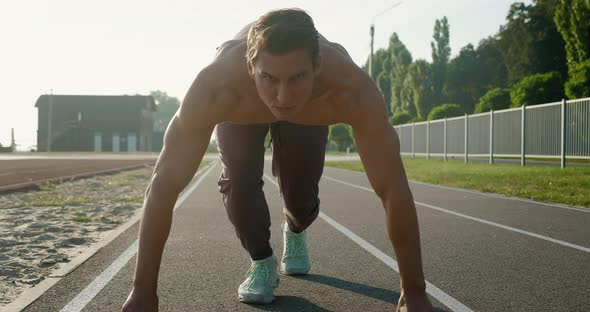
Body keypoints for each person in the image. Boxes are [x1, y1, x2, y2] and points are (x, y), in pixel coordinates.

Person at [122, 8, 433, 312]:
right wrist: (142, 292)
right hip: (241, 106)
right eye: (269, 78)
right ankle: (261, 261)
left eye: (297, 78)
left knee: (300, 197)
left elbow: (392, 187)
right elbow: (163, 185)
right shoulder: (216, 87)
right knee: (240, 181)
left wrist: (413, 292)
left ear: (317, 67)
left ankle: (295, 229)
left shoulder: (350, 90)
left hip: (310, 111)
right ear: (250, 67)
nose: (283, 97)